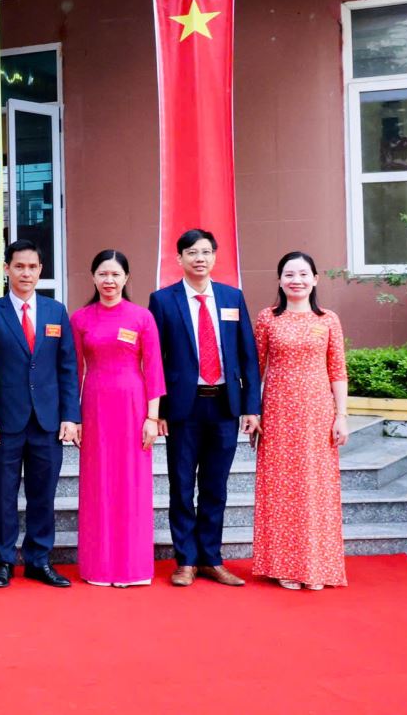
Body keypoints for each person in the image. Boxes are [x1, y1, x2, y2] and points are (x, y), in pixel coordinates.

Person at [147, 228, 260, 587]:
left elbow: (248, 355)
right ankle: (186, 560)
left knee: (215, 486)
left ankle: (211, 558)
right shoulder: (162, 300)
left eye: (206, 252)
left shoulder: (232, 297)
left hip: (225, 405)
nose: (200, 258)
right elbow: (155, 360)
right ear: (179, 258)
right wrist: (158, 411)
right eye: (192, 252)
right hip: (184, 408)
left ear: (214, 256)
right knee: (181, 486)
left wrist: (251, 407)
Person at [0, 239, 79, 588]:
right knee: (3, 494)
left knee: (43, 494)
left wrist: (70, 417)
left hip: (47, 421)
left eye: (32, 267)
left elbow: (67, 367)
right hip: (5, 422)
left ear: (41, 270)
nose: (26, 273)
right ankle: (4, 560)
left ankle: (39, 560)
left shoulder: (56, 311)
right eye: (19, 266)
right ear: (6, 269)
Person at [251, 251, 348, 591]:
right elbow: (255, 368)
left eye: (304, 274)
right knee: (281, 489)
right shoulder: (267, 318)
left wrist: (342, 416)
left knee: (315, 488)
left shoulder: (328, 319)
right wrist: (252, 412)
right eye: (289, 274)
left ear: (315, 279)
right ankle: (284, 565)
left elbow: (338, 370)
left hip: (318, 415)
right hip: (278, 414)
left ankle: (317, 566)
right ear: (279, 280)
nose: (297, 280)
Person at [70, 250, 163, 587]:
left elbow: (154, 368)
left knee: (131, 484)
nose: (109, 280)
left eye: (115, 274)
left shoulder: (142, 317)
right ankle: (99, 566)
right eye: (103, 274)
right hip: (95, 407)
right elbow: (73, 371)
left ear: (126, 278)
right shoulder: (80, 319)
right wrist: (74, 418)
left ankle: (131, 567)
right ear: (93, 277)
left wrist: (152, 417)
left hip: (133, 408)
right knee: (98, 484)